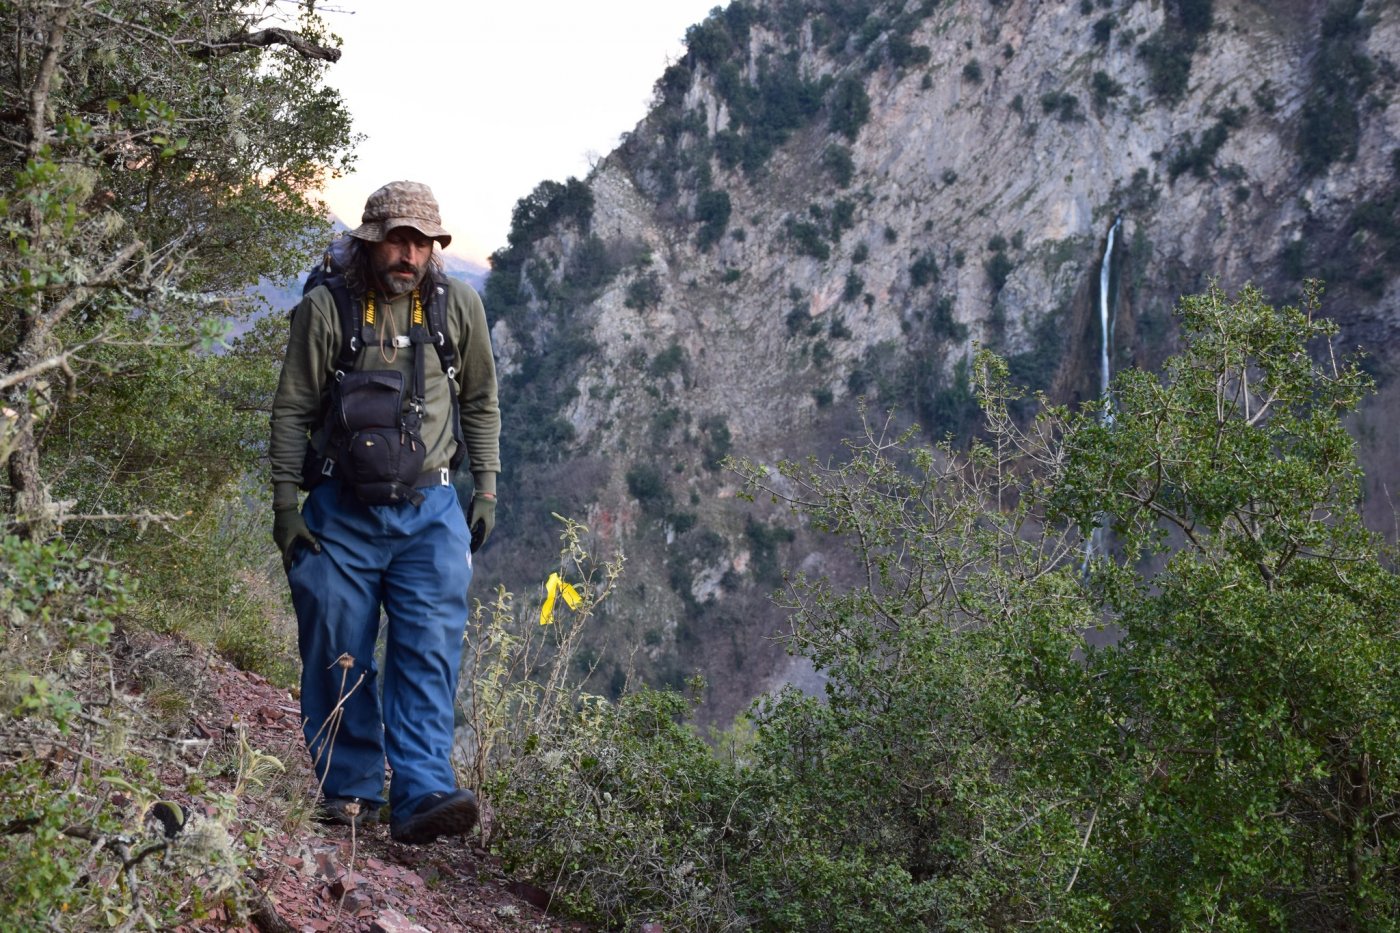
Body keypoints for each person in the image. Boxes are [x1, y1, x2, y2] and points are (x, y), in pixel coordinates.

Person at [269, 180, 500, 844]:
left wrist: (485, 488)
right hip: (340, 509)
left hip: (431, 508)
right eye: (397, 238)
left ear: (434, 248)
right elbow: (291, 410)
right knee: (337, 644)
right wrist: (287, 508)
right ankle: (349, 789)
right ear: (371, 241)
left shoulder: (458, 308)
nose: (408, 252)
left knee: (428, 647)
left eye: (420, 241)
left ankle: (423, 789)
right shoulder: (326, 310)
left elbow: (480, 400)